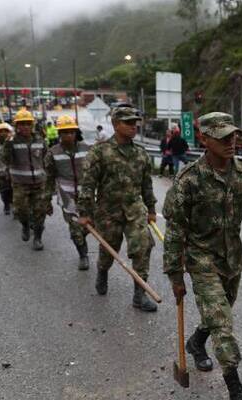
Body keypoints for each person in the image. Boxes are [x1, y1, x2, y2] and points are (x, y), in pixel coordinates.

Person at [163, 112, 242, 400]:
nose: (230, 142)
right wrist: (175, 275)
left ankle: (196, 342)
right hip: (201, 260)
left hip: (232, 260)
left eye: (232, 136)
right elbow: (175, 230)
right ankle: (235, 386)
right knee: (221, 322)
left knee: (221, 310)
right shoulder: (189, 180)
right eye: (222, 137)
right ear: (205, 139)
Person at [77, 104, 158, 312]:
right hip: (108, 211)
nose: (133, 126)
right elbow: (88, 184)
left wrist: (151, 209)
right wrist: (84, 212)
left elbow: (147, 185)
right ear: (115, 124)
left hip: (135, 209)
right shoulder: (100, 152)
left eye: (135, 122)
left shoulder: (141, 154)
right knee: (109, 250)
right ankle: (102, 271)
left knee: (143, 246)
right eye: (128, 122)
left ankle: (140, 294)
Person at [44, 115, 91, 270]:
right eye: (64, 132)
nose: (68, 135)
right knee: (75, 229)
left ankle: (82, 238)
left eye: (71, 132)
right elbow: (49, 178)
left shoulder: (87, 149)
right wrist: (46, 201)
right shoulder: (53, 153)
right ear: (59, 134)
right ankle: (83, 255)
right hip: (68, 198)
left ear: (76, 133)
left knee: (91, 226)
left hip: (89, 197)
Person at [3, 109, 51, 250]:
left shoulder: (40, 140)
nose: (25, 127)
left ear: (32, 125)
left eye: (28, 124)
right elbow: (6, 160)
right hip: (20, 183)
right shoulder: (12, 141)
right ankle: (25, 225)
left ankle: (38, 238)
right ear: (16, 126)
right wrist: (8, 144)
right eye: (22, 124)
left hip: (39, 183)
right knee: (20, 210)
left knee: (40, 212)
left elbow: (47, 160)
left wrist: (50, 181)